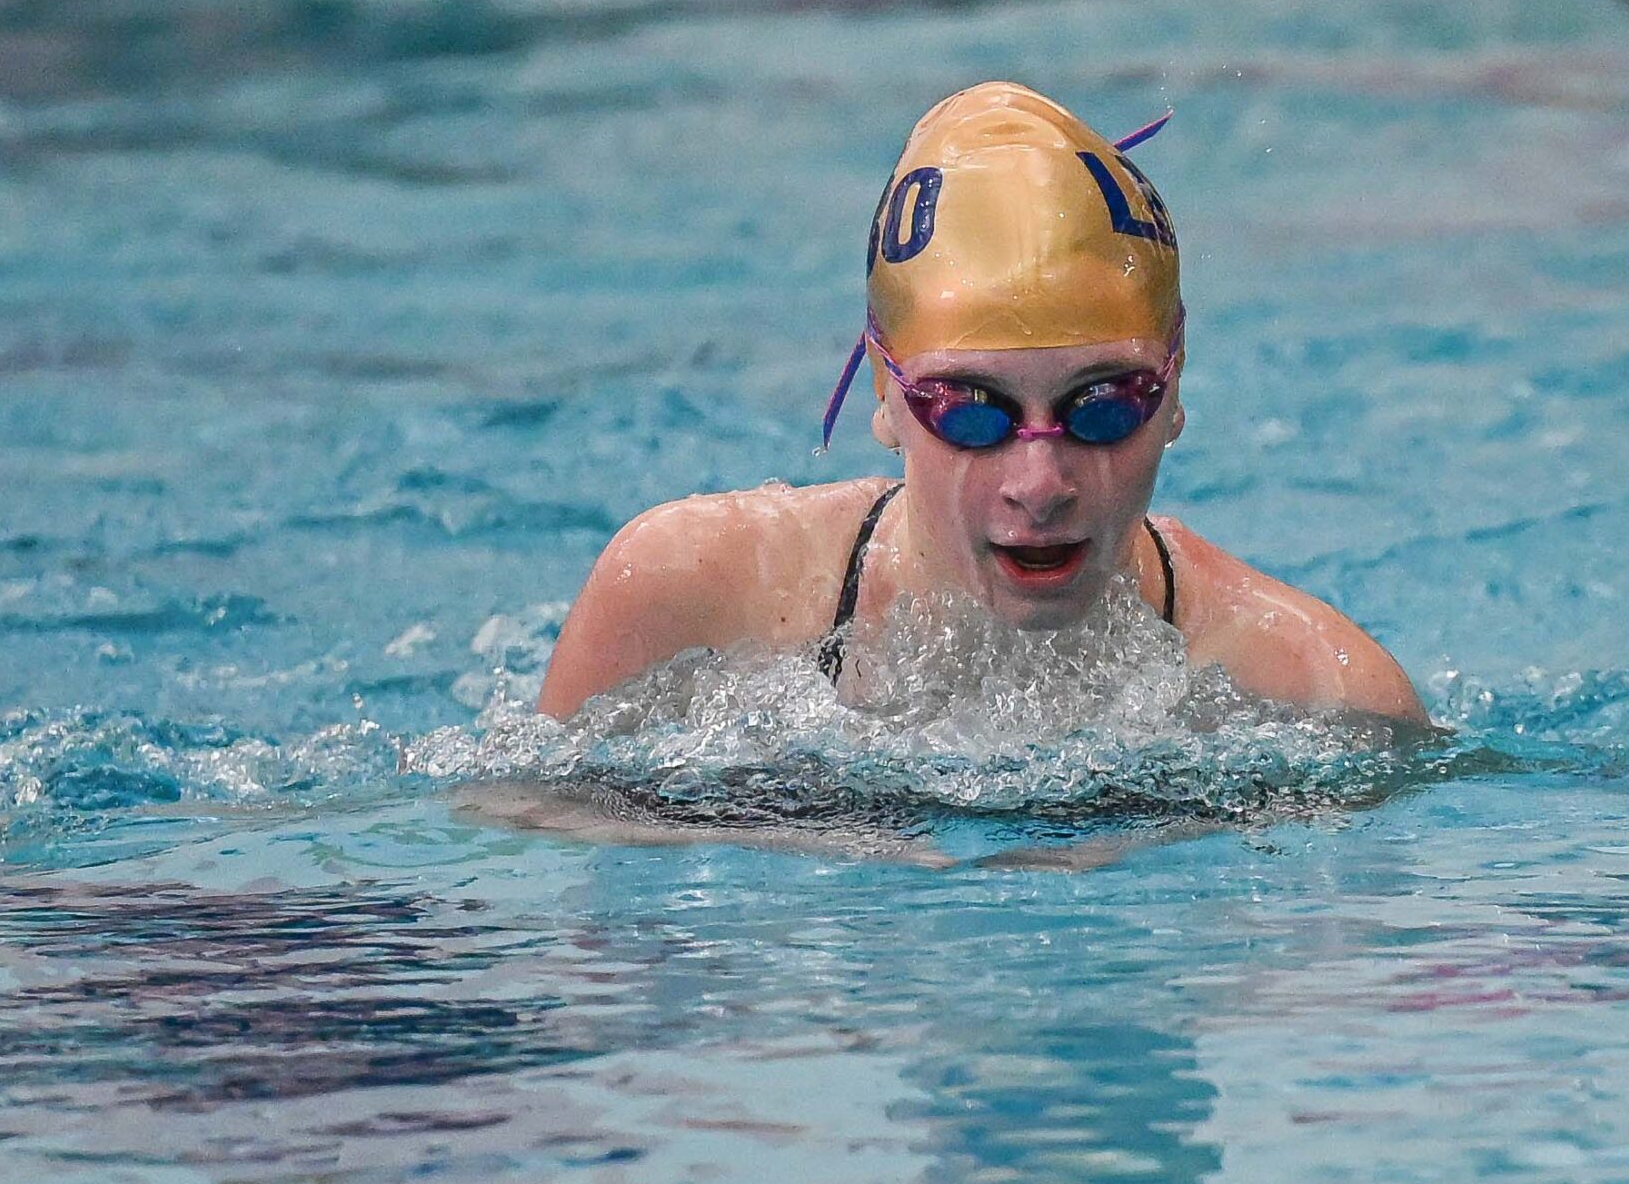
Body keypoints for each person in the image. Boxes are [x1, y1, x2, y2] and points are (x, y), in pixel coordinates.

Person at [537, 81, 1428, 735]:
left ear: (1176, 383)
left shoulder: (1321, 693)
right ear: (885, 390)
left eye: (1105, 405)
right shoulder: (689, 598)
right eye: (970, 411)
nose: (1040, 482)